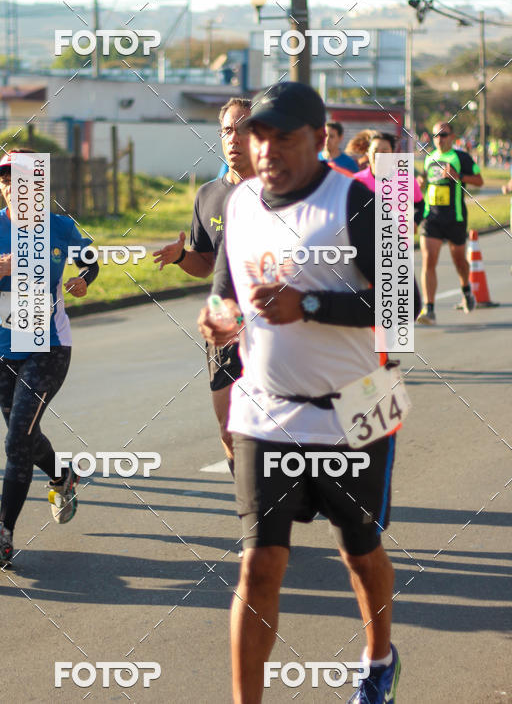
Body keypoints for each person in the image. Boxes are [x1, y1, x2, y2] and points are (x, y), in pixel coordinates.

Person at [198, 82, 420, 704]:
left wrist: (313, 304)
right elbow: (224, 289)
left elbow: (406, 305)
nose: (266, 149)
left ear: (320, 140)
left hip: (355, 410)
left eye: (283, 137)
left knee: (360, 552)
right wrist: (218, 314)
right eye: (258, 135)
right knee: (260, 563)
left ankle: (379, 659)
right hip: (264, 411)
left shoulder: (353, 201)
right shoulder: (240, 203)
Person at [0, 150, 98, 566]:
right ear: (1, 187)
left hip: (50, 345)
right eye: (6, 181)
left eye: (24, 180)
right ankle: (63, 476)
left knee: (17, 439)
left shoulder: (61, 227)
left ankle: (3, 535)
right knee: (26, 436)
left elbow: (92, 262)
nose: (14, 187)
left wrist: (83, 279)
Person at [153, 98, 254, 473]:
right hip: (225, 323)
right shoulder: (208, 195)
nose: (234, 137)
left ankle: (270, 504)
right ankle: (250, 495)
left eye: (244, 128)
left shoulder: (280, 193)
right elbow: (206, 264)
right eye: (228, 129)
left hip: (276, 323)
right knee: (229, 429)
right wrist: (181, 257)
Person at [417, 121, 483, 324]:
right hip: (432, 218)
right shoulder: (429, 158)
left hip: (455, 218)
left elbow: (479, 181)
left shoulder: (461, 157)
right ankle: (429, 310)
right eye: (436, 135)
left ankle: (466, 291)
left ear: (452, 137)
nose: (439, 139)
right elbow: (426, 183)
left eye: (443, 135)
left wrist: (458, 176)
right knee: (429, 260)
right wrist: (422, 182)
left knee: (460, 261)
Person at [355, 132, 424, 226]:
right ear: (368, 153)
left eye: (384, 152)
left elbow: (420, 205)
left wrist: (415, 222)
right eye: (375, 151)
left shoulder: (406, 180)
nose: (379, 155)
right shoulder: (356, 181)